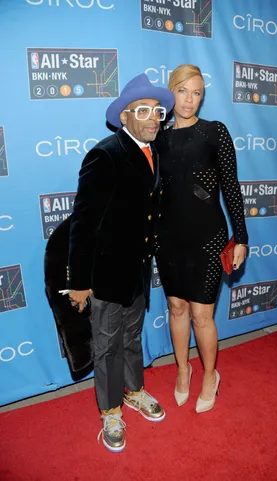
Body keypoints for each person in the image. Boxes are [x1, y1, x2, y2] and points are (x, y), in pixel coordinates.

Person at [67, 73, 175, 452]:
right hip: (107, 275)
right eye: (141, 110)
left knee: (131, 337)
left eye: (157, 111)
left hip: (138, 272)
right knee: (108, 345)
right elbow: (83, 223)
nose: (152, 117)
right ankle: (111, 409)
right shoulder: (105, 154)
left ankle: (134, 390)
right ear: (123, 117)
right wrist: (80, 281)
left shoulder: (154, 151)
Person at [154, 64, 248, 413]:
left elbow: (232, 189)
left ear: (203, 96)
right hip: (168, 237)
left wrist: (241, 238)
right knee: (176, 307)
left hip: (208, 237)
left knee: (201, 315)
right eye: (183, 91)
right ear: (171, 91)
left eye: (197, 92)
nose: (189, 99)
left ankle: (210, 375)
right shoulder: (158, 136)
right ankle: (183, 369)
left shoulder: (214, 132)